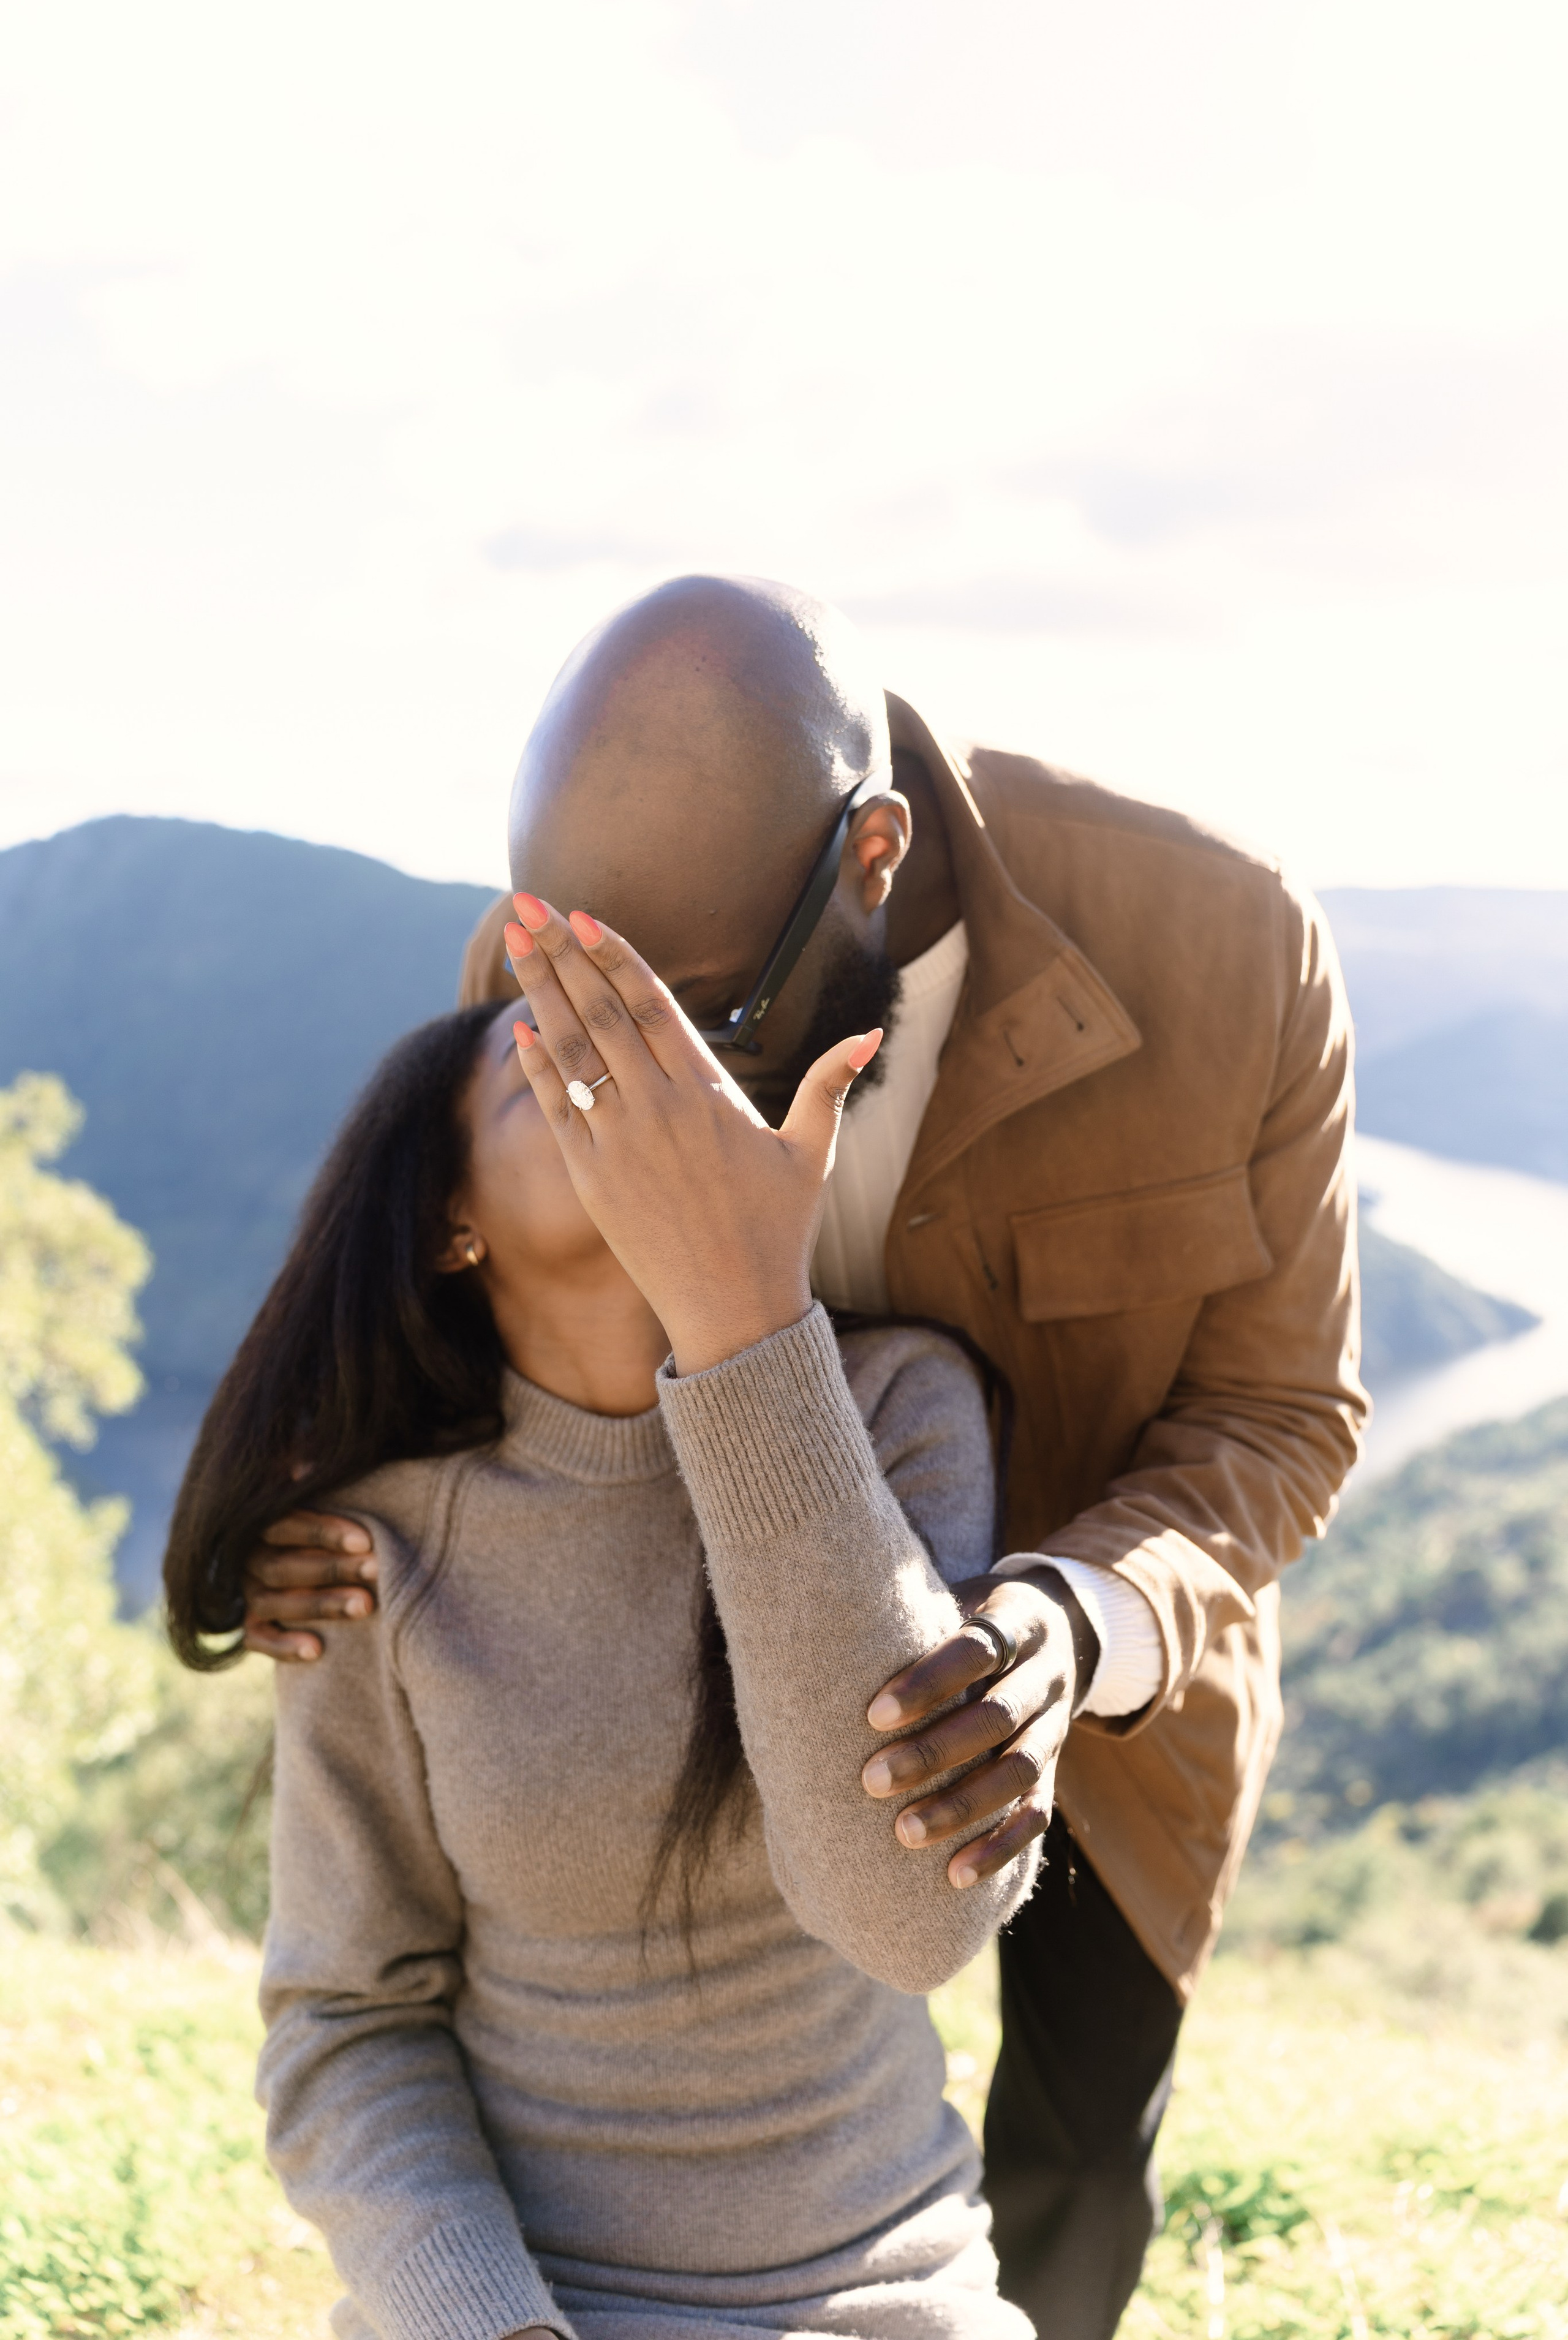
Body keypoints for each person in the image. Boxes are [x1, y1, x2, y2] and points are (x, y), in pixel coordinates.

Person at [241, 576, 1366, 2339]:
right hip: (668, 1670)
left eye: (692, 1013)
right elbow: (451, 1302)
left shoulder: (1220, 937)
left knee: (1070, 2165)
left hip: (1095, 1660)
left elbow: (1288, 1414)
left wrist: (1069, 1625)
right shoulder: (565, 974)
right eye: (571, 1003)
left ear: (874, 854)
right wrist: (310, 1525)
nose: (640, 1073)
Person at [165, 930, 1049, 2340]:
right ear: (451, 1223)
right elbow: (344, 2020)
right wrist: (492, 2324)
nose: (621, 1088)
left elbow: (910, 1918)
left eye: (655, 1054)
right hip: (529, 2308)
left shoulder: (892, 1408)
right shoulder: (363, 1552)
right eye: (544, 1071)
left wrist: (745, 1330)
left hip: (884, 2299)